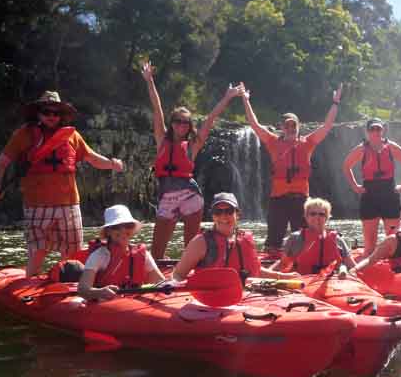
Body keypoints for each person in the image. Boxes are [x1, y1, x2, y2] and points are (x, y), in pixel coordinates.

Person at [0, 91, 124, 277]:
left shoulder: (71, 135)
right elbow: (1, 163)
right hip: (37, 205)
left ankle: (66, 291)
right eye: (46, 112)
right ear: (38, 113)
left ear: (61, 115)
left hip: (69, 205)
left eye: (56, 113)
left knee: (73, 255)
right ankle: (30, 289)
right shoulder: (24, 134)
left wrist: (111, 164)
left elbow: (92, 158)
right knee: (38, 252)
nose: (51, 116)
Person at [141, 61, 244, 259]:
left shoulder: (194, 144)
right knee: (157, 251)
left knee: (191, 246)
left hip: (190, 195)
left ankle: (192, 271)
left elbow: (211, 118)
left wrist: (228, 97)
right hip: (167, 195)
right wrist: (149, 81)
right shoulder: (162, 140)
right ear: (171, 124)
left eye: (185, 122)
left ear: (189, 126)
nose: (181, 125)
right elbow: (157, 108)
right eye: (177, 121)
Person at [241, 84, 343, 254]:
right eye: (287, 125)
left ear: (298, 126)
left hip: (301, 200)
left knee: (304, 239)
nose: (290, 128)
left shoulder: (308, 143)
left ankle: (304, 267)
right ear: (282, 127)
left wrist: (335, 103)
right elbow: (254, 123)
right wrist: (245, 100)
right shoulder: (273, 142)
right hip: (278, 199)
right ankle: (273, 266)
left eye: (293, 125)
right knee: (273, 242)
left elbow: (326, 126)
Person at [172, 193, 297, 284]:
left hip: (246, 297)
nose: (223, 216)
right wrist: (179, 285)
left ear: (237, 214)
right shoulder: (200, 242)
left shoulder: (246, 240)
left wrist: (282, 276)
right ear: (213, 216)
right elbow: (178, 274)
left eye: (229, 211)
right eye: (218, 212)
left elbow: (256, 270)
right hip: (211, 300)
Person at [342, 118, 401, 256]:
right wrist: (355, 186)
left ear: (383, 130)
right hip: (369, 194)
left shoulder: (391, 147)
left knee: (394, 238)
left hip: (389, 194)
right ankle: (368, 269)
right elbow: (346, 166)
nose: (375, 132)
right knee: (370, 244)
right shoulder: (362, 149)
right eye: (372, 129)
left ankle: (396, 268)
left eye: (378, 129)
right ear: (367, 131)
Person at [78, 205, 164, 301]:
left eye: (128, 225)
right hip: (105, 307)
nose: (123, 230)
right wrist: (100, 292)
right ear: (108, 231)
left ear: (133, 229)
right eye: (116, 227)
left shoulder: (143, 254)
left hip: (134, 305)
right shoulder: (99, 255)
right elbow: (82, 290)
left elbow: (161, 281)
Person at [272, 198, 357, 275]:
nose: (317, 217)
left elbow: (352, 266)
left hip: (331, 283)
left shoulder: (337, 239)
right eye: (313, 214)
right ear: (306, 216)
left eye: (321, 214)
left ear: (327, 218)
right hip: (303, 282)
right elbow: (282, 264)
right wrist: (268, 274)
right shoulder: (295, 238)